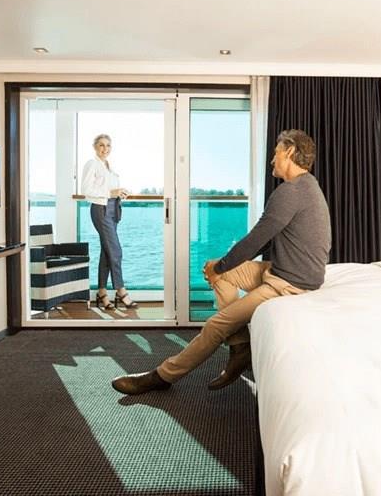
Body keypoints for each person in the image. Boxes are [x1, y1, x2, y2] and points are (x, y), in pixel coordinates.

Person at [112, 129, 331, 395]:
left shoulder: (291, 191)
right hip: (283, 271)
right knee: (218, 270)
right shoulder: (307, 186)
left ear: (290, 152)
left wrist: (221, 266)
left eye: (276, 153)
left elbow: (255, 239)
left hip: (289, 283)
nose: (272, 160)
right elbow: (267, 239)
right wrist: (220, 266)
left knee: (215, 325)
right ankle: (240, 346)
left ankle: (162, 376)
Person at [80, 134, 138, 310]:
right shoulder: (92, 164)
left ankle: (102, 292)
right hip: (101, 210)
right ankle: (121, 290)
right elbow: (86, 190)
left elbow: (109, 189)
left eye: (108, 145)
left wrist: (120, 193)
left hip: (113, 209)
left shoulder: (109, 166)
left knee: (107, 252)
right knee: (116, 251)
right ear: (95, 147)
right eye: (101, 145)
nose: (105, 149)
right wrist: (110, 193)